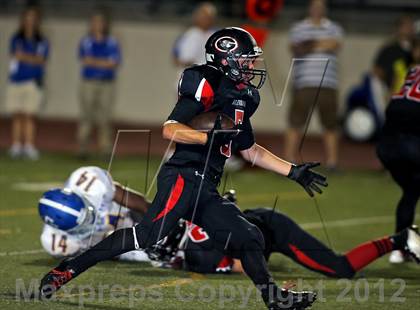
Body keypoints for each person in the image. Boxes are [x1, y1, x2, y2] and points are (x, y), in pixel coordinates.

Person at [39, 27, 328, 309]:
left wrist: (293, 171)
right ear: (226, 58)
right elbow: (170, 129)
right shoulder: (203, 80)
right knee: (148, 236)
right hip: (184, 174)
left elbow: (249, 150)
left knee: (250, 236)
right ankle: (66, 270)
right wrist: (207, 137)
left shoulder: (245, 97)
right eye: (246, 59)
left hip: (206, 185)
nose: (252, 65)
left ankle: (273, 297)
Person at [151, 190, 420, 277]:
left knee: (341, 268)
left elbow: (245, 266)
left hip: (273, 233)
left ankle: (399, 240)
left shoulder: (198, 254)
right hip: (261, 220)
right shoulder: (192, 213)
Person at [38, 166, 150, 262]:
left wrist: (156, 214)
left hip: (123, 214)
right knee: (143, 255)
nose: (89, 219)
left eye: (87, 214)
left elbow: (132, 200)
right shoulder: (55, 241)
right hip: (101, 240)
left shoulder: (90, 184)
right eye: (83, 222)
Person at [284, 0, 343, 170]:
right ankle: (289, 160)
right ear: (310, 8)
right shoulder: (298, 27)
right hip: (304, 82)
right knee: (295, 122)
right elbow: (296, 48)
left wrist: (309, 44)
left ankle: (332, 162)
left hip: (328, 82)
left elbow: (335, 45)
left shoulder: (334, 27)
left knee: (331, 124)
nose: (317, 9)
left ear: (325, 9)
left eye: (321, 6)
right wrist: (321, 44)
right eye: (315, 6)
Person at [377, 37, 420, 264]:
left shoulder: (412, 71)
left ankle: (400, 249)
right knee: (412, 191)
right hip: (409, 142)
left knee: (412, 191)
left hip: (386, 146)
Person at [6, 6, 49, 160]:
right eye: (27, 18)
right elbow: (14, 55)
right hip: (16, 81)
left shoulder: (41, 41)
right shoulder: (16, 39)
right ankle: (17, 145)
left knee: (29, 115)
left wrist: (23, 57)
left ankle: (29, 146)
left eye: (33, 18)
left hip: (32, 82)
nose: (30, 22)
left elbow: (40, 60)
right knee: (17, 114)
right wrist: (30, 58)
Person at [77, 9, 121, 159]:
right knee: (86, 115)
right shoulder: (86, 41)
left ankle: (105, 148)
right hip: (89, 82)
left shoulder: (112, 42)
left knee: (105, 117)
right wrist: (104, 63)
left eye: (100, 22)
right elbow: (85, 60)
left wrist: (96, 62)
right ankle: (83, 147)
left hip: (107, 83)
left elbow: (113, 63)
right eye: (95, 22)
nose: (98, 25)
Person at [373, 15, 414, 98]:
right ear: (398, 28)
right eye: (406, 26)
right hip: (393, 93)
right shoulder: (389, 50)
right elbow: (378, 71)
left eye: (411, 26)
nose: (410, 29)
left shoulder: (415, 49)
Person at [172, 2, 217, 68]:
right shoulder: (187, 34)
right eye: (202, 16)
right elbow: (175, 55)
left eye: (207, 17)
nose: (204, 20)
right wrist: (185, 62)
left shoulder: (216, 35)